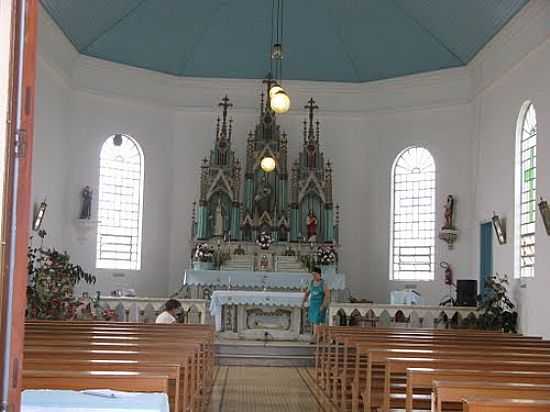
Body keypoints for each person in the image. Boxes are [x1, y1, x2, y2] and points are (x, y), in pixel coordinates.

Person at [303, 266, 330, 341]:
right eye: (313, 275)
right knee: (313, 321)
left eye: (315, 275)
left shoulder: (323, 283)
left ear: (319, 274)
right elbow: (307, 292)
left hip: (320, 305)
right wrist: (304, 300)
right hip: (313, 305)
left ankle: (315, 337)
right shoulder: (311, 282)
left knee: (317, 321)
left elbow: (327, 295)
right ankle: (318, 336)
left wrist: (323, 305)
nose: (314, 276)